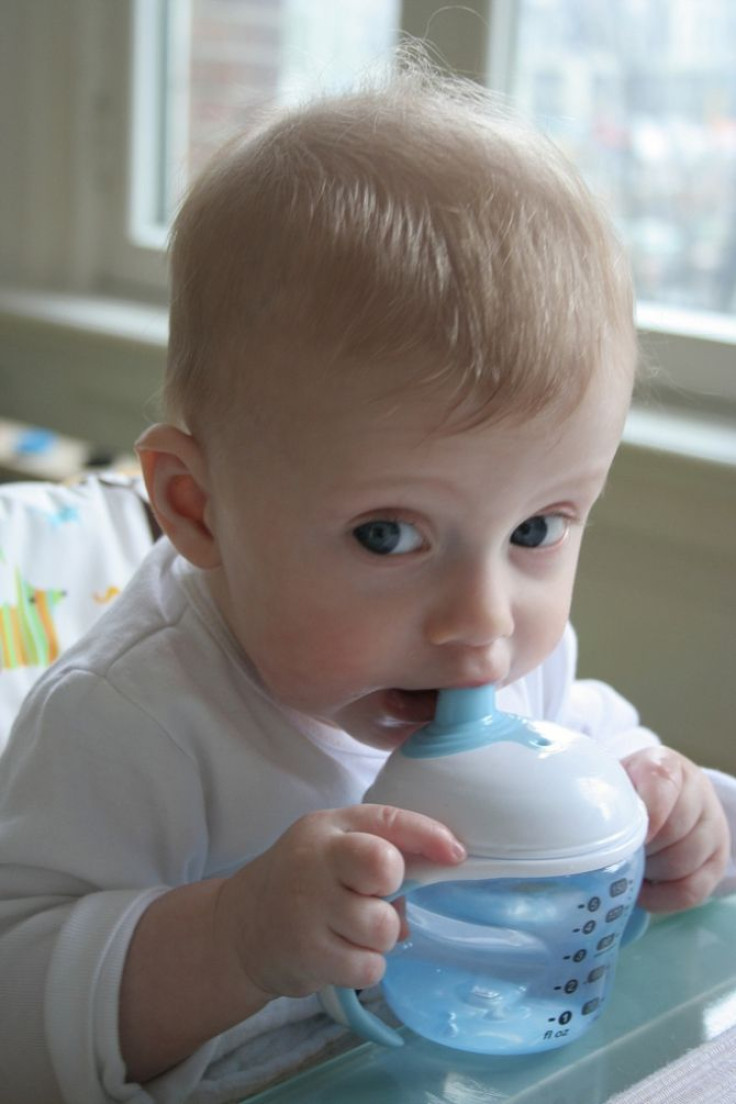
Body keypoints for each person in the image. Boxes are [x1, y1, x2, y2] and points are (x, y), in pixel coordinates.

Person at [0, 62, 733, 1104]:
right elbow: (16, 1017)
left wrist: (678, 810)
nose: (481, 626)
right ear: (197, 507)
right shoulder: (127, 724)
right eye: (387, 535)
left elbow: (594, 750)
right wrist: (234, 938)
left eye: (535, 528)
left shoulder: (514, 671)